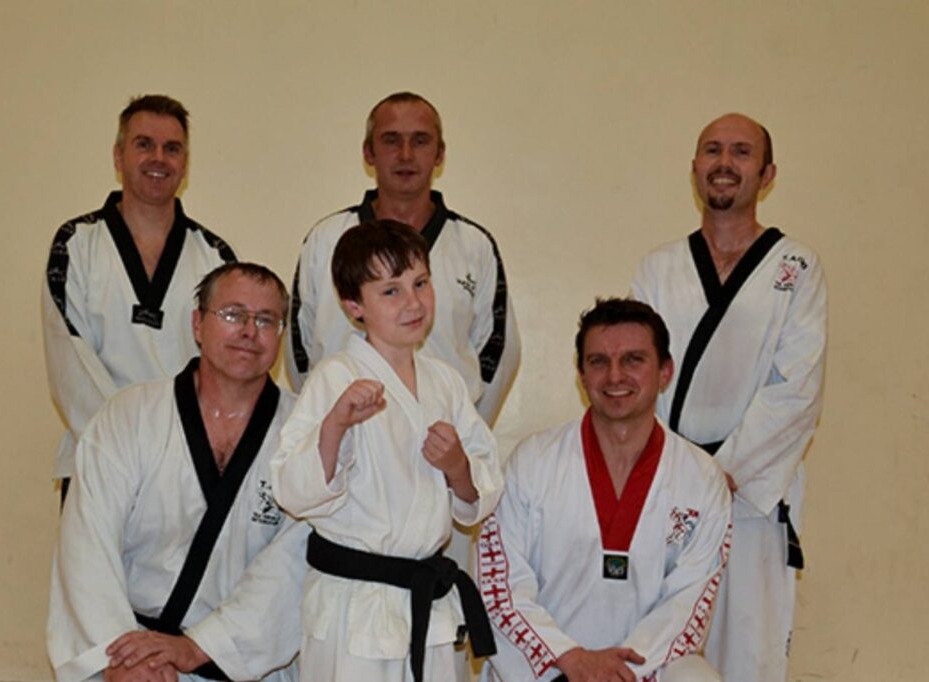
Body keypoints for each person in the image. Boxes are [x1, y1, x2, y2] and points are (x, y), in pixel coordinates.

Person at [631, 113, 827, 682]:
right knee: (658, 653)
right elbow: (638, 375)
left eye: (741, 152)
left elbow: (796, 390)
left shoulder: (798, 268)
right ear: (694, 168)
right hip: (667, 492)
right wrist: (676, 474)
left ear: (766, 174)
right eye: (712, 150)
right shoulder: (659, 267)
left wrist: (719, 474)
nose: (724, 162)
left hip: (752, 497)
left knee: (749, 653)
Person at [271, 220, 504, 682]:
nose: (413, 302)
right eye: (391, 291)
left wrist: (458, 467)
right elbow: (291, 489)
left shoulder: (446, 381)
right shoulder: (335, 378)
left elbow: (480, 490)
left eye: (420, 283)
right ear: (354, 305)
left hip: (426, 602)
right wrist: (336, 424)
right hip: (353, 605)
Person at [48, 263, 303, 682]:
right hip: (133, 659)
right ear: (198, 324)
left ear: (280, 335)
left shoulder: (304, 433)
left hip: (248, 664)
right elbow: (87, 545)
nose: (249, 331)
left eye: (266, 320)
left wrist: (200, 646)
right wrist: (118, 660)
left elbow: (291, 568)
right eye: (233, 314)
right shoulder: (129, 417)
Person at [477, 299, 732, 682]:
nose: (615, 376)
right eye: (598, 362)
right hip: (546, 669)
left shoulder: (701, 479)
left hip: (646, 669)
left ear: (665, 371)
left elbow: (687, 604)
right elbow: (501, 587)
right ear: (581, 374)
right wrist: (571, 660)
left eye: (633, 360)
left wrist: (618, 674)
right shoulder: (533, 462)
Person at [285, 91, 519, 427]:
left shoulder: (473, 246)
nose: (406, 154)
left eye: (420, 141)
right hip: (347, 433)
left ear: (439, 154)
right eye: (391, 140)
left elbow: (499, 353)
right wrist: (326, 420)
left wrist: (465, 432)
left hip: (441, 439)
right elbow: (300, 348)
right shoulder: (326, 239)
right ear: (369, 152)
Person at [43, 94, 235, 500]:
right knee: (92, 567)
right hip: (98, 463)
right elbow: (70, 363)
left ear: (185, 163)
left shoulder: (215, 256)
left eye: (172, 148)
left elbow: (230, 364)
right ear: (118, 156)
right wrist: (132, 451)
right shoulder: (76, 245)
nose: (158, 158)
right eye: (143, 144)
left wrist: (186, 452)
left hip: (189, 470)